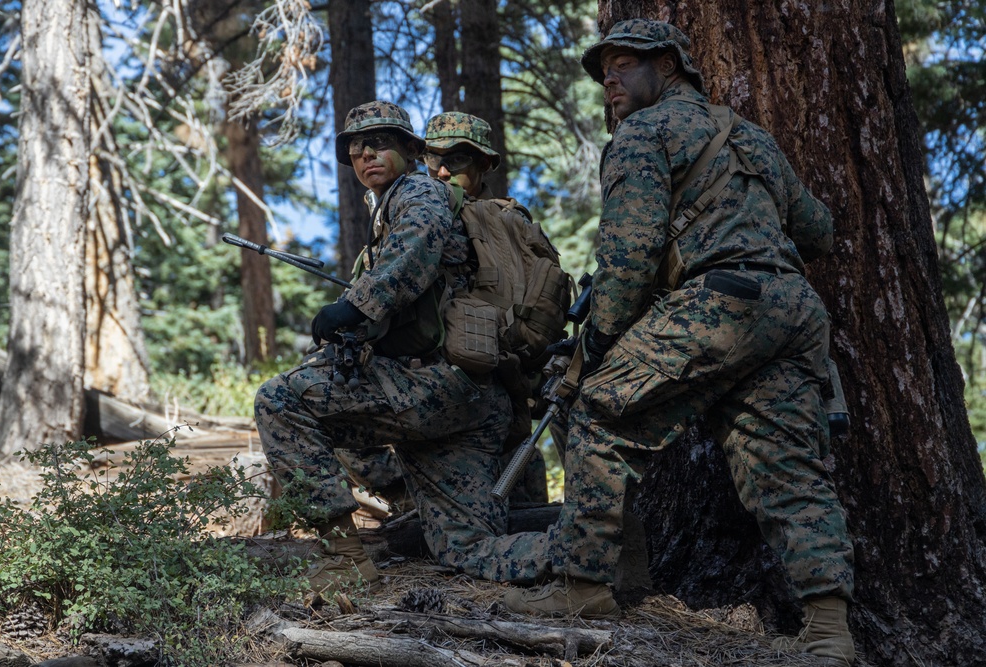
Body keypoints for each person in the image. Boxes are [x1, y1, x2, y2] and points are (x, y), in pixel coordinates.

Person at [500, 18, 856, 667]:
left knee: (599, 408)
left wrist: (601, 336)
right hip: (794, 310)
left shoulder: (642, 132)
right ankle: (830, 631)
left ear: (669, 67)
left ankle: (583, 589)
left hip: (719, 300)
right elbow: (819, 229)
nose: (609, 78)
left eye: (624, 64)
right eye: (603, 69)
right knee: (785, 470)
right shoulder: (751, 138)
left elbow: (629, 251)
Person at [254, 101, 513, 599]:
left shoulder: (417, 191)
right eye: (355, 149)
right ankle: (580, 559)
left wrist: (352, 307)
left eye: (380, 143)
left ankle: (343, 560)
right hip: (466, 394)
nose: (366, 154)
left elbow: (415, 250)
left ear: (411, 151)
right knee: (468, 549)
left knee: (280, 400)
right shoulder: (397, 205)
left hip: (434, 385)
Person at [336, 111, 551, 506]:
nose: (443, 172)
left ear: (484, 165)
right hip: (427, 385)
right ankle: (410, 501)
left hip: (482, 384)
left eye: (459, 160)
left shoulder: (502, 226)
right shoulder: (403, 215)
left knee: (511, 499)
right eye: (433, 160)